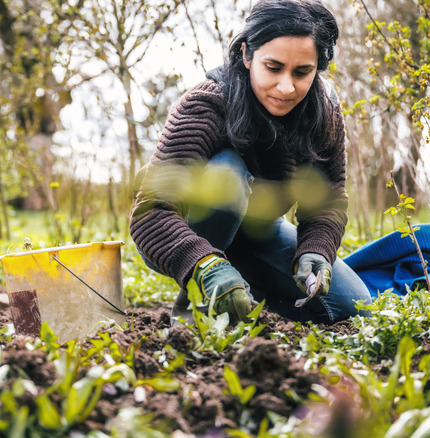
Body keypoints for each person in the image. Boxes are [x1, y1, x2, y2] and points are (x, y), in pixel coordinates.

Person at [130, 0, 372, 325]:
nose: (286, 87)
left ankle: (239, 288)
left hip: (259, 233)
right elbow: (151, 212)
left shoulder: (323, 112)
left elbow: (327, 201)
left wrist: (316, 249)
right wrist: (204, 264)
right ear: (247, 55)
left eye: (302, 72)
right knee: (226, 175)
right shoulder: (206, 105)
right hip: (179, 228)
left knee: (350, 304)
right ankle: (195, 306)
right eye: (273, 68)